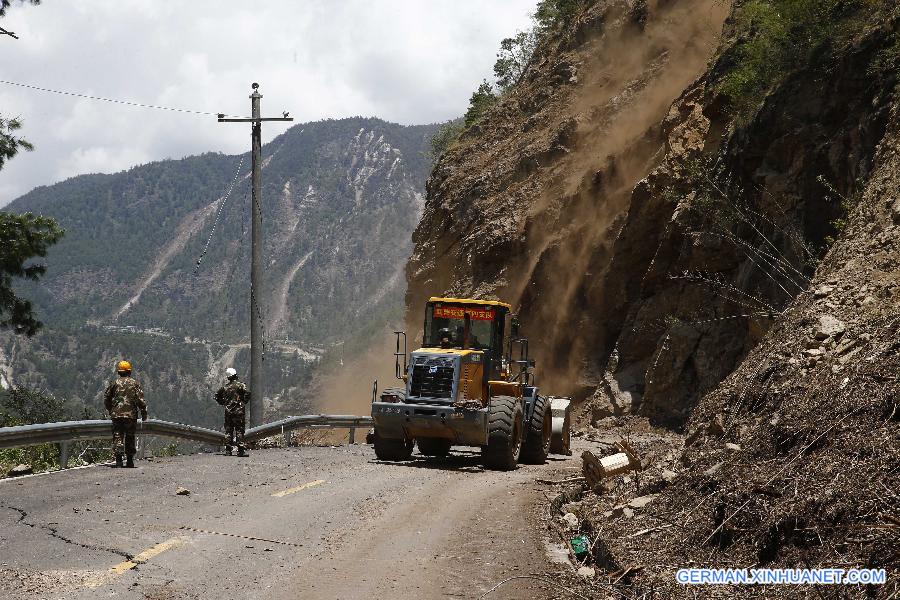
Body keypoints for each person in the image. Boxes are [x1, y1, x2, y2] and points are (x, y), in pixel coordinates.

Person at [103, 360, 147, 468]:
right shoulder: (134, 383)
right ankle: (130, 461)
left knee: (117, 436)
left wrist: (110, 409)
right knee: (130, 437)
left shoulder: (114, 383)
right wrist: (144, 413)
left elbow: (106, 398)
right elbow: (140, 400)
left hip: (116, 415)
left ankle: (118, 460)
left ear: (119, 372)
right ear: (129, 371)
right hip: (131, 415)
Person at [215, 367, 250, 456]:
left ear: (228, 377)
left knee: (228, 430)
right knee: (239, 430)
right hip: (239, 412)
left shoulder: (225, 388)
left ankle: (228, 450)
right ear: (235, 375)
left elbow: (216, 396)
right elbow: (248, 393)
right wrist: (243, 402)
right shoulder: (241, 385)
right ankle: (240, 450)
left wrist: (223, 403)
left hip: (228, 412)